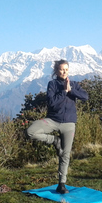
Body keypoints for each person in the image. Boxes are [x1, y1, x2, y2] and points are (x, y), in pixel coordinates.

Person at [26, 59, 89, 194]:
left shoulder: (74, 84)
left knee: (65, 154)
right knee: (31, 131)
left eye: (66, 69)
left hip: (69, 123)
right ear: (56, 71)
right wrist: (64, 92)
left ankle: (62, 184)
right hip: (52, 120)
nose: (64, 71)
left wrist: (71, 91)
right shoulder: (52, 84)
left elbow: (85, 96)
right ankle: (55, 141)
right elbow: (52, 103)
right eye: (61, 69)